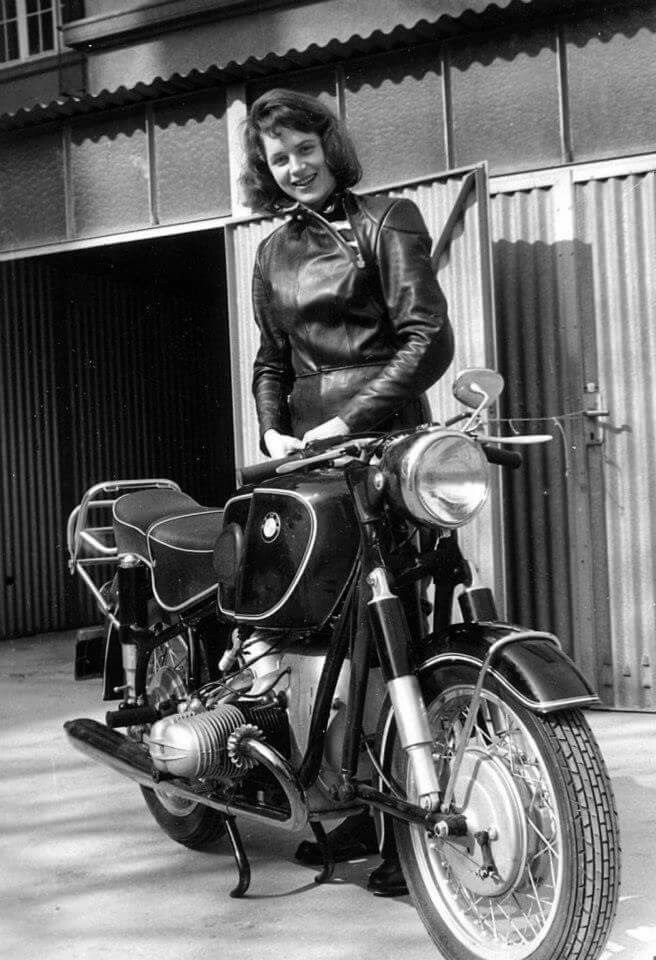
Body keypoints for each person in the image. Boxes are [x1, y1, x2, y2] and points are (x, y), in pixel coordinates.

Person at [240, 88, 454, 896]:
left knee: (401, 626)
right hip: (307, 458)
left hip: (386, 447)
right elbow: (271, 361)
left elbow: (428, 338)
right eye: (277, 158)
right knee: (333, 638)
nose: (293, 168)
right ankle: (359, 803)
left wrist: (351, 419)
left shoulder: (386, 219)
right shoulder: (270, 254)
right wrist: (272, 430)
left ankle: (411, 825)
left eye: (303, 148)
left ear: (330, 144)